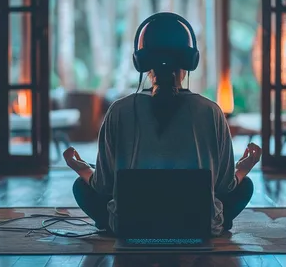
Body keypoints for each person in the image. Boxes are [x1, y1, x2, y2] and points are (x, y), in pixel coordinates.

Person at [63, 12, 262, 237]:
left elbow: (103, 187)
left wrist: (80, 167)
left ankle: (113, 226)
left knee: (81, 187)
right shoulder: (211, 111)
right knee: (246, 186)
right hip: (197, 224)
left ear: (141, 61)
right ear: (190, 60)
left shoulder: (119, 110)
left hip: (131, 224)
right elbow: (226, 186)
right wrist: (245, 166)